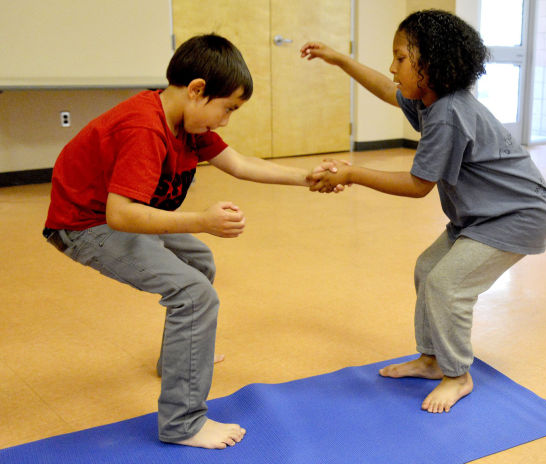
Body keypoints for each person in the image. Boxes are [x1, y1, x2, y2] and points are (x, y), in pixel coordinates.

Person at [43, 34, 337, 449]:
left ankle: (178, 359)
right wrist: (201, 219)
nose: (226, 120)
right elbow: (120, 214)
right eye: (228, 109)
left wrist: (307, 178)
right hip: (85, 224)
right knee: (196, 295)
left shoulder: (188, 122)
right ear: (197, 90)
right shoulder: (145, 127)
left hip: (113, 216)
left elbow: (238, 164)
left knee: (199, 263)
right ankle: (183, 423)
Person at [301, 10, 546, 414]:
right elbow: (388, 90)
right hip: (479, 214)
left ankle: (458, 375)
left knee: (447, 285)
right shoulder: (431, 100)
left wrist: (352, 173)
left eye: (401, 58)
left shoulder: (449, 114)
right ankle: (432, 360)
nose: (392, 66)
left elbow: (418, 186)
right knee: (427, 269)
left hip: (517, 213)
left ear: (432, 63)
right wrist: (341, 59)